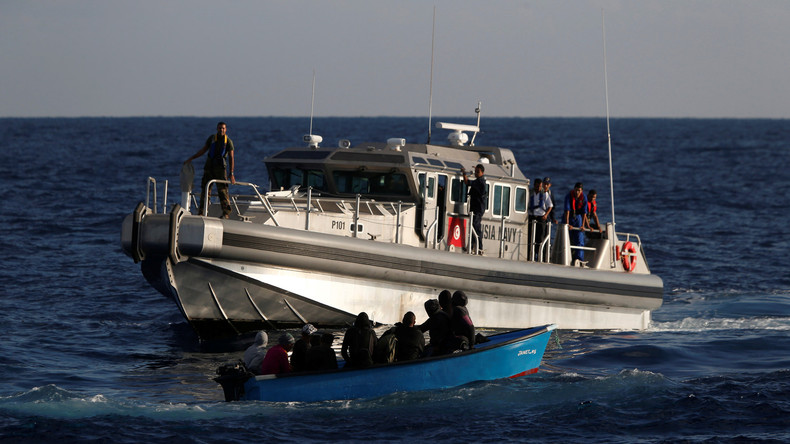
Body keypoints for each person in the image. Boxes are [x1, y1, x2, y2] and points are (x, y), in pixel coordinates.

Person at [184, 121, 236, 219]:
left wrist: (231, 173)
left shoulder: (228, 141)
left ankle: (226, 213)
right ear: (217, 129)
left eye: (223, 128)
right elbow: (203, 150)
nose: (221, 130)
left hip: (220, 169)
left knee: (223, 191)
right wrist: (192, 158)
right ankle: (202, 211)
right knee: (205, 190)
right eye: (220, 128)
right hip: (209, 168)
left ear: (226, 129)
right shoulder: (212, 139)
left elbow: (231, 157)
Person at [461, 164, 487, 254]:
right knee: (473, 227)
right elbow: (467, 182)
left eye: (478, 172)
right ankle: (471, 246)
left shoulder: (481, 182)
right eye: (476, 171)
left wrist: (464, 173)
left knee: (476, 227)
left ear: (482, 173)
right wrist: (464, 174)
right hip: (475, 208)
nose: (476, 173)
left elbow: (468, 182)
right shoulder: (477, 181)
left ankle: (479, 248)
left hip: (478, 209)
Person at [419, 292, 453, 356]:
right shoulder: (439, 316)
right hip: (440, 346)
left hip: (441, 348)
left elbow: (422, 328)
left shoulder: (437, 318)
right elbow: (422, 328)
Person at [528, 178, 553, 261]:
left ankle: (539, 257)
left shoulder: (544, 194)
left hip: (541, 217)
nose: (539, 188)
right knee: (530, 237)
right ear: (534, 185)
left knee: (540, 238)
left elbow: (550, 206)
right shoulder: (530, 193)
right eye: (537, 186)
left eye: (540, 186)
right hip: (532, 216)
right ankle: (529, 255)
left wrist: (546, 215)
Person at [564, 182, 589, 263]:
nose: (577, 192)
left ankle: (579, 259)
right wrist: (567, 223)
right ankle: (566, 256)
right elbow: (567, 211)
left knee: (579, 238)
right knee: (566, 236)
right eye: (576, 190)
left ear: (581, 191)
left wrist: (583, 225)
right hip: (569, 217)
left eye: (579, 190)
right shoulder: (569, 196)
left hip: (578, 218)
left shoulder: (584, 197)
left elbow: (584, 213)